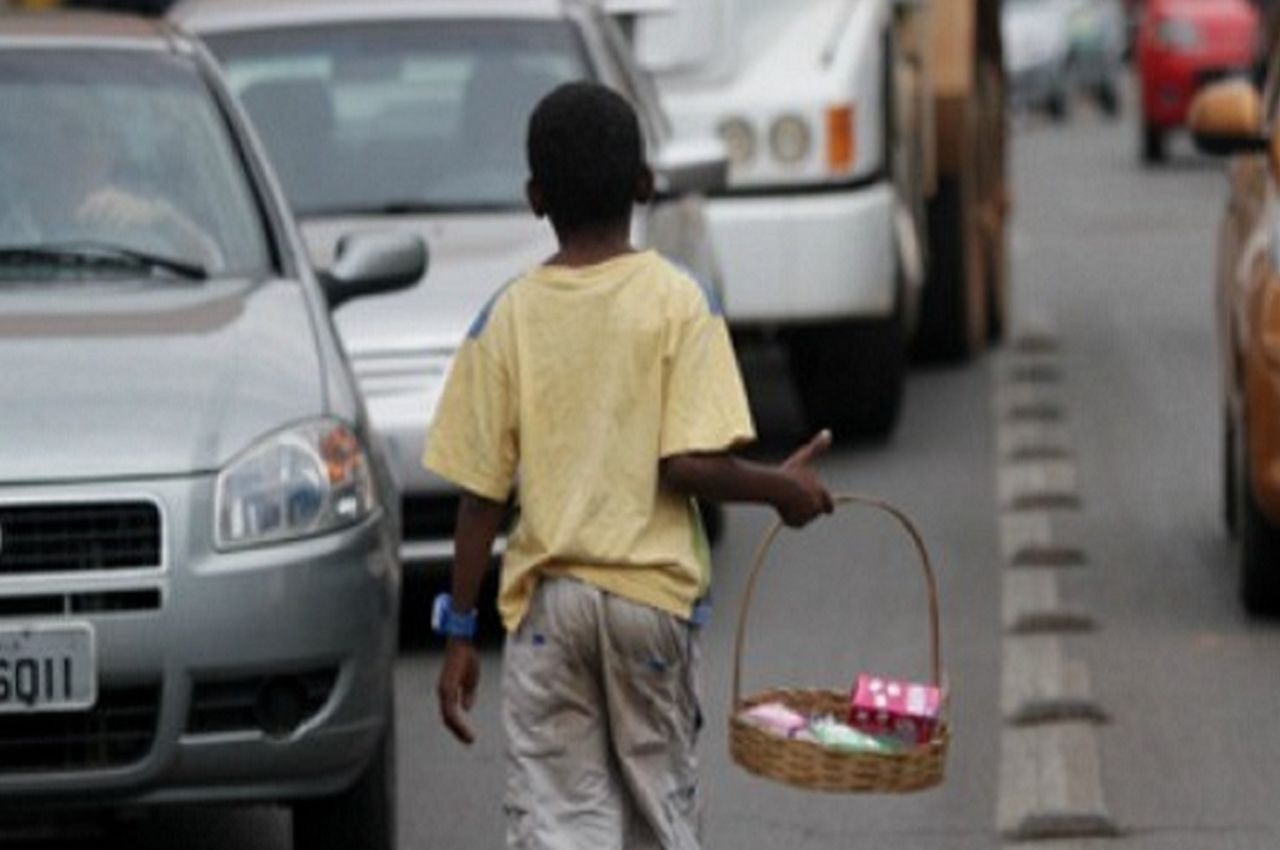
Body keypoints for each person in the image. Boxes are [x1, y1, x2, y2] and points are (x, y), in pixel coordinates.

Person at [424, 81, 835, 850]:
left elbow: (480, 499)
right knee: (658, 814)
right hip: (649, 605)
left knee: (559, 819)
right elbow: (687, 464)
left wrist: (458, 634)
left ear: (534, 197)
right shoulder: (681, 300)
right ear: (646, 185)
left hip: (549, 611)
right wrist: (781, 487)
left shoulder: (506, 315)